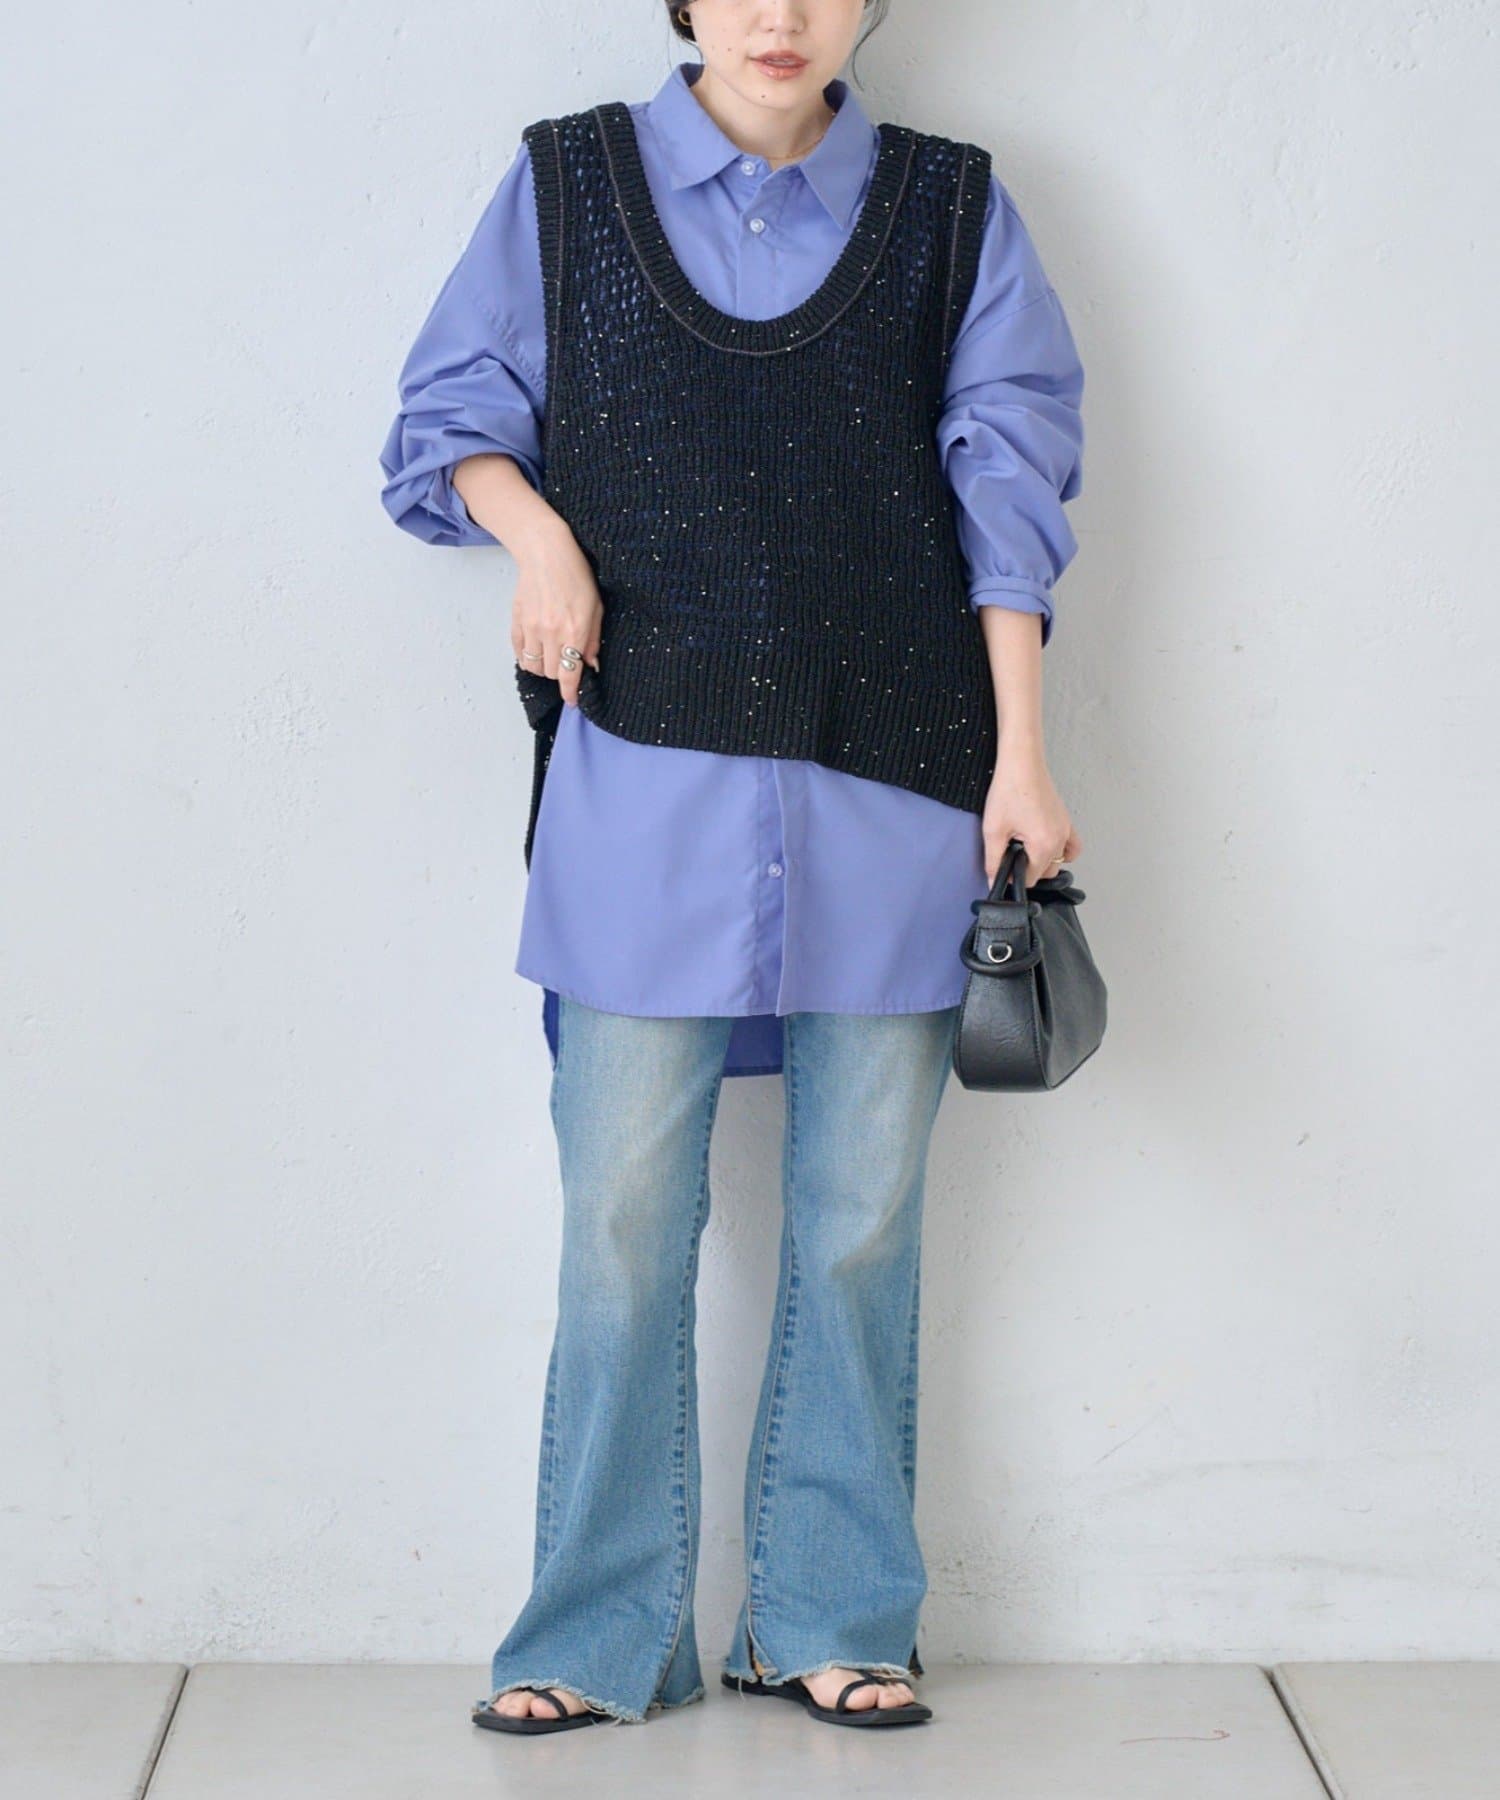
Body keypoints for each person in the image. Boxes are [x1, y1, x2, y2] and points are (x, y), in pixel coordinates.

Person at [379, 0, 1085, 1736]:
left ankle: (830, 1616)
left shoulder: (952, 209)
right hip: (645, 786)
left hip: (903, 788)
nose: (781, 16)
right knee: (622, 1227)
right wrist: (538, 535)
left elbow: (1010, 490)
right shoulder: (568, 188)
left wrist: (1023, 756)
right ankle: (593, 1634)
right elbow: (447, 416)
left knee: (859, 1229)